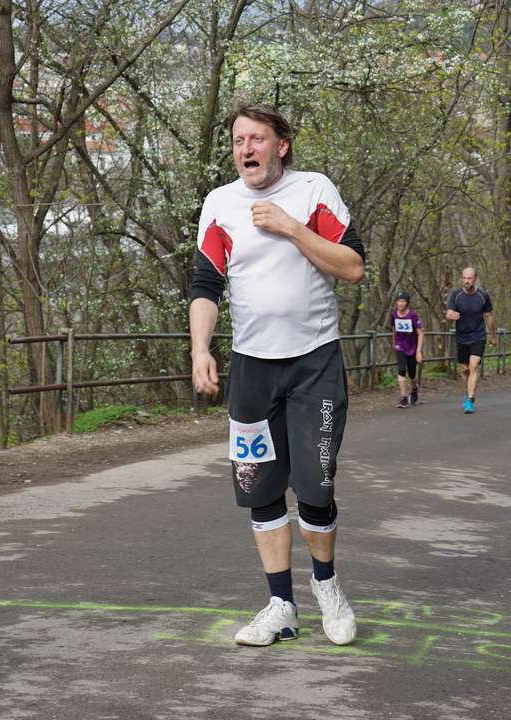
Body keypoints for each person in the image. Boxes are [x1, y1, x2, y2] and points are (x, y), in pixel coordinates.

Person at [189, 103, 364, 647]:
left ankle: (326, 586)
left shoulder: (313, 191)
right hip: (252, 369)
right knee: (259, 488)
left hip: (314, 363)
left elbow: (353, 266)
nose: (246, 149)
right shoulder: (219, 204)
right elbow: (205, 284)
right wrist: (200, 349)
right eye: (238, 140)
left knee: (315, 486)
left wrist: (291, 227)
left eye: (257, 139)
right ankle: (280, 606)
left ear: (281, 145)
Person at [445, 268, 496, 414]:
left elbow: (489, 316)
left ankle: (469, 399)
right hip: (462, 337)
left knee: (474, 366)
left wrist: (493, 336)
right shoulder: (456, 295)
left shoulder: (483, 296)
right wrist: (451, 315)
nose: (467, 281)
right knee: (465, 369)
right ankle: (467, 391)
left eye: (469, 278)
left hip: (478, 336)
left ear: (475, 278)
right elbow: (448, 312)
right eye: (464, 278)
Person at [391, 291, 424, 408]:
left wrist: (418, 351)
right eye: (399, 301)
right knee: (401, 370)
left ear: (407, 303)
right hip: (400, 346)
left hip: (412, 347)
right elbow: (394, 329)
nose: (400, 303)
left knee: (412, 373)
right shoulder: (393, 314)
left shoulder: (413, 315)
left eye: (403, 301)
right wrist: (394, 343)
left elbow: (420, 333)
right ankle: (404, 398)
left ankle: (414, 388)